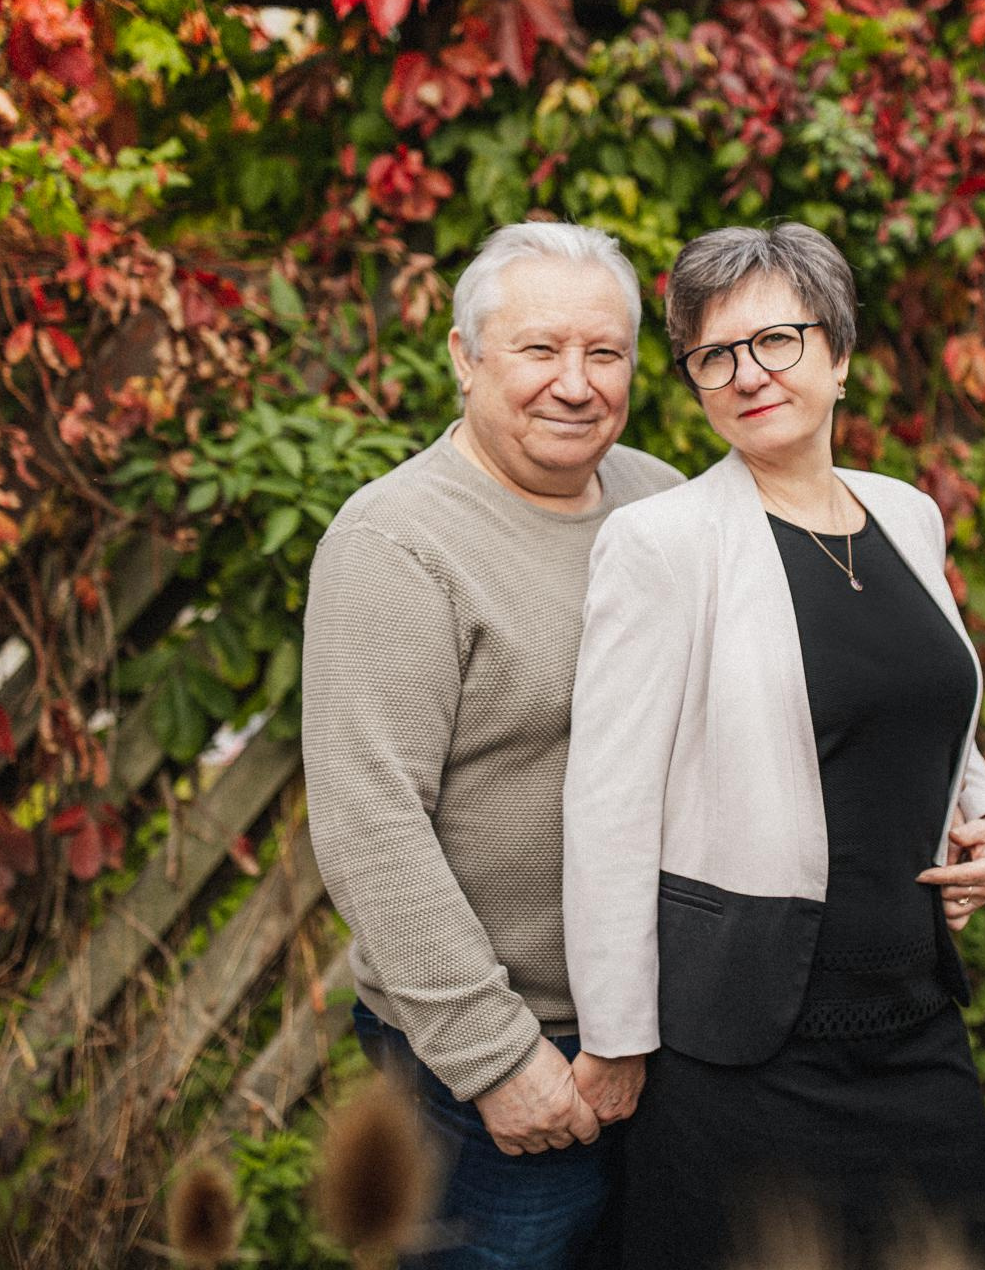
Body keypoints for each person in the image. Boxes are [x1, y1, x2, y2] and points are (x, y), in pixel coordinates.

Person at [562, 222, 985, 1270]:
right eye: (714, 355)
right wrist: (616, 1036)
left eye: (777, 339)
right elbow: (606, 804)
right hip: (746, 1041)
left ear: (840, 352)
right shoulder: (662, 543)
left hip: (914, 1017)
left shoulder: (907, 515)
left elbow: (924, 710)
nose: (748, 374)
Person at [302, 221, 682, 1269]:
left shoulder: (665, 501)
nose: (575, 382)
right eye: (538, 349)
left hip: (658, 1035)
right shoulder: (395, 542)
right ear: (466, 359)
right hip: (498, 1066)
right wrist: (495, 1057)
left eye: (604, 353)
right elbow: (368, 821)